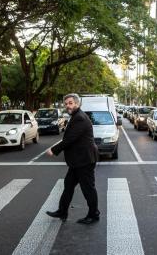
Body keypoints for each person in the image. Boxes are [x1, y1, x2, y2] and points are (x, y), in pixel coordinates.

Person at [46, 93, 100, 224]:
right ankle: (62, 211)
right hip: (78, 161)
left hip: (85, 161)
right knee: (68, 185)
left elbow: (70, 139)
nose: (68, 106)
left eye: (70, 103)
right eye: (66, 104)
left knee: (88, 189)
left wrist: (54, 150)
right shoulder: (76, 116)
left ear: (77, 103)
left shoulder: (80, 118)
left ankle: (94, 214)